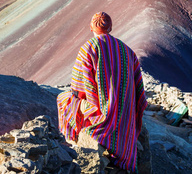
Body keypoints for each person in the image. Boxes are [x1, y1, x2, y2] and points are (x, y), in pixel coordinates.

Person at [57, 12, 147, 173]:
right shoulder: (127, 50)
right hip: (125, 116)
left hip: (99, 112)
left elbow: (78, 89)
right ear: (110, 28)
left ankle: (75, 142)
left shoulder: (88, 48)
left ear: (91, 27)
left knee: (63, 99)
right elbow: (139, 88)